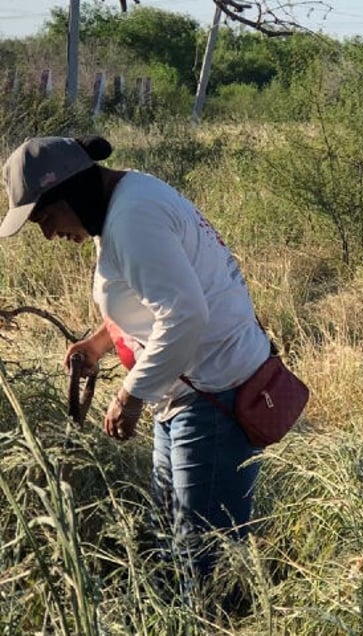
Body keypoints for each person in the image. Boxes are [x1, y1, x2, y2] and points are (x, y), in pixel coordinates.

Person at [0, 135, 272, 608]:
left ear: (71, 191)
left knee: (204, 557)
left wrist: (131, 394)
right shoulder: (127, 200)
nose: (48, 234)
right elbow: (154, 299)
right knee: (172, 534)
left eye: (46, 217)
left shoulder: (132, 220)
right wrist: (101, 343)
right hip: (190, 395)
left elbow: (186, 315)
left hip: (212, 398)